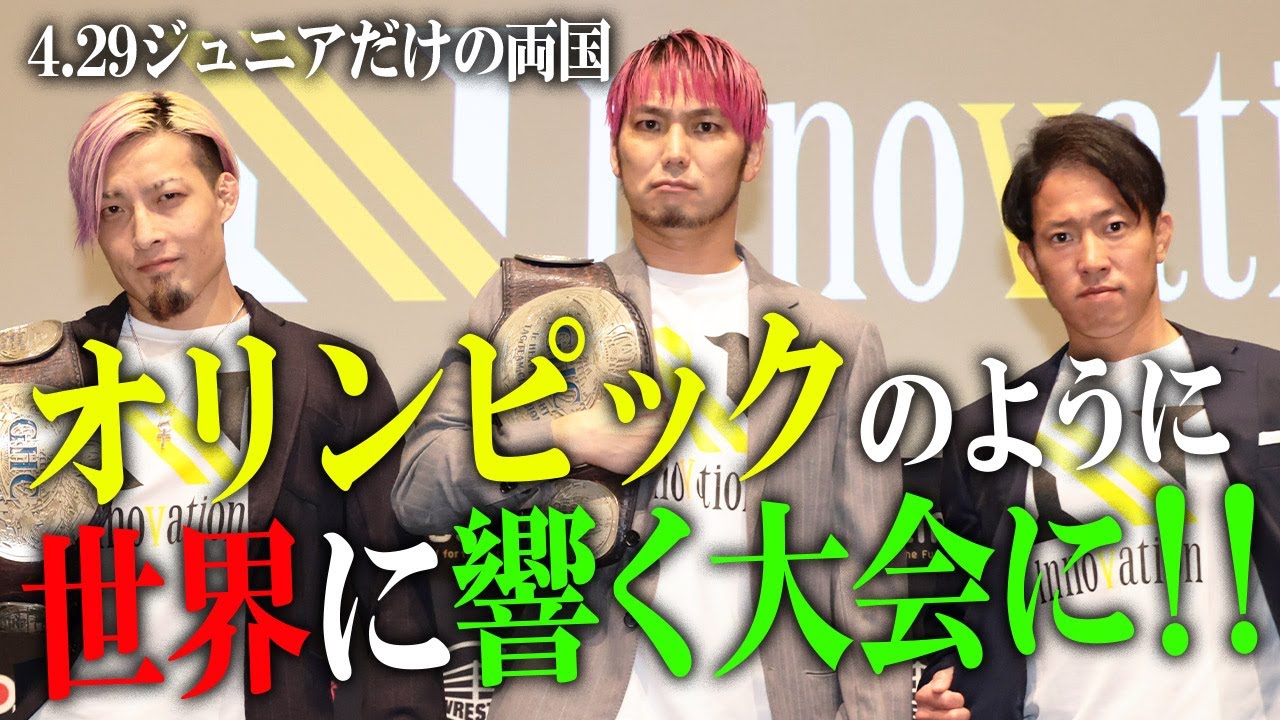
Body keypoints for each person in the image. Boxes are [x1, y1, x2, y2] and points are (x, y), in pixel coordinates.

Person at [393, 28, 908, 720]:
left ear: (753, 154)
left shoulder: (836, 343)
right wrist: (556, 440)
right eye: (649, 125)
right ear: (615, 151)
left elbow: (871, 585)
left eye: (706, 127)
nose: (675, 151)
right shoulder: (536, 308)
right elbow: (417, 490)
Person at [14, 90, 442, 719]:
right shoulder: (43, 379)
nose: (144, 233)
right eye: (113, 209)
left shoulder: (331, 379)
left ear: (225, 195)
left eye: (168, 197)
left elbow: (393, 604)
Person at [916, 114, 1280, 719]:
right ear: (1031, 261)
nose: (1091, 259)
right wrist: (932, 697)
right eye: (1061, 237)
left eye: (1114, 227)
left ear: (1160, 235)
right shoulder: (983, 435)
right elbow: (942, 628)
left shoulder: (1266, 390)